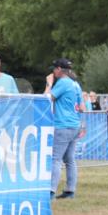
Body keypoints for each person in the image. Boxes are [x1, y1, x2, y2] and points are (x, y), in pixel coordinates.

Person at [45, 58, 83, 199]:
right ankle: (70, 190)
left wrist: (49, 84)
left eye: (54, 69)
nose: (53, 71)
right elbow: (82, 106)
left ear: (59, 69)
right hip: (74, 124)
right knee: (70, 159)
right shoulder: (75, 84)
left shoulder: (62, 83)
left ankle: (50, 191)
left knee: (55, 159)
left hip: (62, 125)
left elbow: (48, 98)